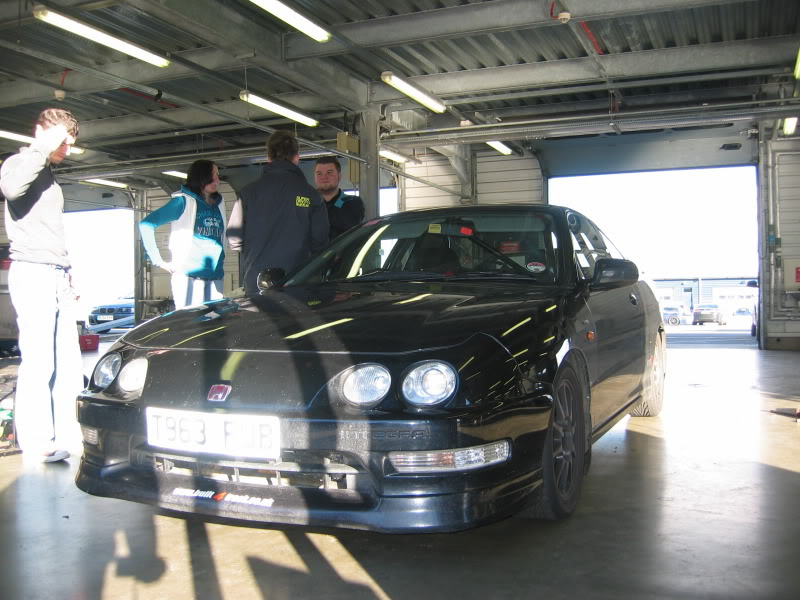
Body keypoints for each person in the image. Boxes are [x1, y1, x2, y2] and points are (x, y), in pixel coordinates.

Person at [0, 108, 85, 463]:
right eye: (62, 140)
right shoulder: (19, 164)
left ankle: (71, 434)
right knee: (40, 361)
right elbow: (10, 188)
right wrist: (41, 147)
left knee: (68, 360)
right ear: (41, 133)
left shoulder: (48, 175)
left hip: (55, 272)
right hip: (32, 272)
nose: (66, 148)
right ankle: (37, 441)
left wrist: (67, 269)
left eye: (70, 143)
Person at [227, 130, 329, 294]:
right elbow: (320, 242)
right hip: (297, 284)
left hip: (257, 284)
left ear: (268, 158)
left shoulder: (247, 193)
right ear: (297, 158)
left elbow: (234, 240)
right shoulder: (311, 195)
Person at [139, 160, 226, 309]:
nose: (217, 180)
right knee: (191, 327)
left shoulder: (219, 203)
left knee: (215, 328)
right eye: (213, 175)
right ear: (201, 176)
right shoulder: (183, 202)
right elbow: (146, 225)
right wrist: (158, 260)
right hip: (189, 278)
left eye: (218, 175)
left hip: (216, 277)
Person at [313, 156, 365, 239]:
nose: (324, 177)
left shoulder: (353, 202)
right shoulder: (308, 203)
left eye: (329, 173)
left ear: (339, 176)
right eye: (319, 173)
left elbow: (347, 225)